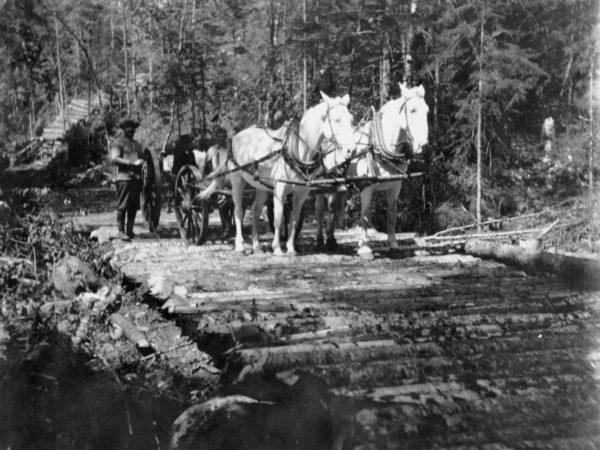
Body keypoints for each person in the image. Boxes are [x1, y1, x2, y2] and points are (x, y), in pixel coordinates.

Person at [110, 117, 144, 241]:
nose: (130, 129)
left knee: (133, 206)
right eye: (128, 127)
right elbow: (114, 159)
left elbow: (143, 159)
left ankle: (129, 231)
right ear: (124, 129)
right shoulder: (118, 142)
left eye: (132, 127)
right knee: (123, 204)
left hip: (136, 179)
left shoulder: (137, 145)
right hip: (124, 178)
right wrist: (131, 163)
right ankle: (120, 231)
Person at [206, 126, 234, 238]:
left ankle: (236, 226)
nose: (222, 139)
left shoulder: (230, 149)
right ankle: (227, 228)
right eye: (219, 136)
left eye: (223, 136)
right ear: (215, 138)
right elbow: (204, 168)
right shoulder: (212, 150)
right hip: (217, 179)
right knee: (223, 202)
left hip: (230, 178)